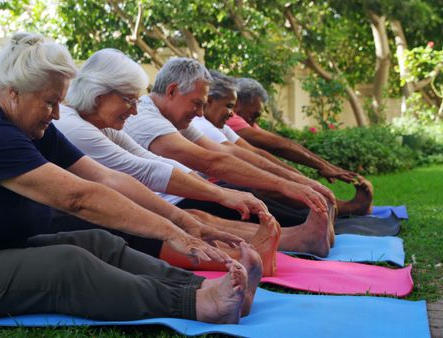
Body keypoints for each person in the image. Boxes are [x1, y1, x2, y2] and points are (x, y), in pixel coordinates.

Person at [0, 32, 251, 324]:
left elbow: (107, 179)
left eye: (60, 101)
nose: (57, 114)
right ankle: (197, 304)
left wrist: (186, 222)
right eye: (49, 101)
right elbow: (78, 198)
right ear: (13, 93)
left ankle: (203, 287)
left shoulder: (32, 129)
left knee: (96, 242)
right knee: (66, 266)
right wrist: (169, 231)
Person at [53, 49, 278, 282]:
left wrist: (217, 194)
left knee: (173, 216)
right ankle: (237, 261)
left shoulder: (101, 123)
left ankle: (247, 253)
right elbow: (140, 171)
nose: (134, 110)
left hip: (88, 211)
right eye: (129, 100)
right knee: (130, 219)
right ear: (98, 95)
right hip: (60, 226)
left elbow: (150, 161)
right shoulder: (73, 126)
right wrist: (218, 195)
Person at [123, 57, 333, 256]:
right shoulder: (145, 119)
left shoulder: (168, 115)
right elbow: (212, 162)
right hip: (156, 206)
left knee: (210, 207)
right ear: (172, 91)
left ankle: (303, 236)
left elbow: (226, 153)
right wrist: (286, 184)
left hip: (171, 198)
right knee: (199, 214)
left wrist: (297, 181)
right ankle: (301, 238)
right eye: (197, 104)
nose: (200, 114)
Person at [228, 77, 373, 215]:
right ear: (237, 102)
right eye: (253, 114)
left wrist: (319, 170)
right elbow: (278, 146)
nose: (253, 121)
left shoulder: (235, 122)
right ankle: (344, 208)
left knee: (276, 177)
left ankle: (334, 206)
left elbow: (280, 145)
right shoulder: (230, 119)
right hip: (226, 186)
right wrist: (318, 170)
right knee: (266, 184)